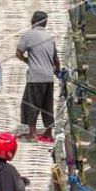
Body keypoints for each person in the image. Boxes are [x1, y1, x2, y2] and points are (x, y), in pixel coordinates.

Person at [16, 11, 60, 143]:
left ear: (32, 21)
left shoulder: (28, 35)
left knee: (29, 104)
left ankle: (32, 134)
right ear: (45, 23)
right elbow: (56, 59)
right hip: (49, 77)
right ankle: (48, 132)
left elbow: (18, 53)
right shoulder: (50, 37)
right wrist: (58, 71)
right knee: (47, 105)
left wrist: (26, 61)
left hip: (35, 77)